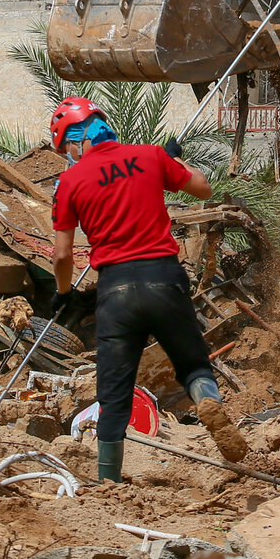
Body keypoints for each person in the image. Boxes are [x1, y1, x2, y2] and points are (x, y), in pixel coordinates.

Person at [48, 96, 249, 483]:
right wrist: (173, 160)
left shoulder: (69, 181)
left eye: (65, 148)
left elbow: (61, 256)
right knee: (192, 364)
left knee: (114, 394)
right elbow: (203, 189)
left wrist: (63, 294)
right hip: (164, 280)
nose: (67, 155)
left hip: (115, 291)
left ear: (75, 141)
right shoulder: (150, 156)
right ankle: (208, 399)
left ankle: (108, 483)